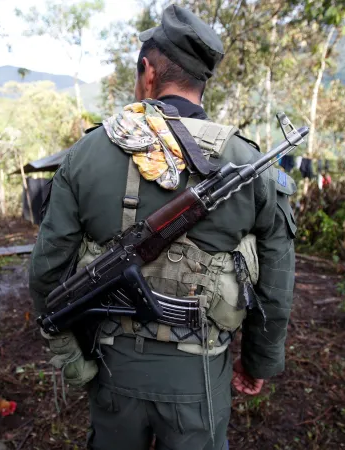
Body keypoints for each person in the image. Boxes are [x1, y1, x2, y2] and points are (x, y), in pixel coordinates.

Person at [29, 4, 297, 449]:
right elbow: (277, 283)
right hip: (200, 372)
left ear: (147, 72)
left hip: (111, 364)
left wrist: (74, 356)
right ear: (202, 82)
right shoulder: (249, 162)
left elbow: (45, 272)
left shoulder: (87, 153)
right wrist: (259, 361)